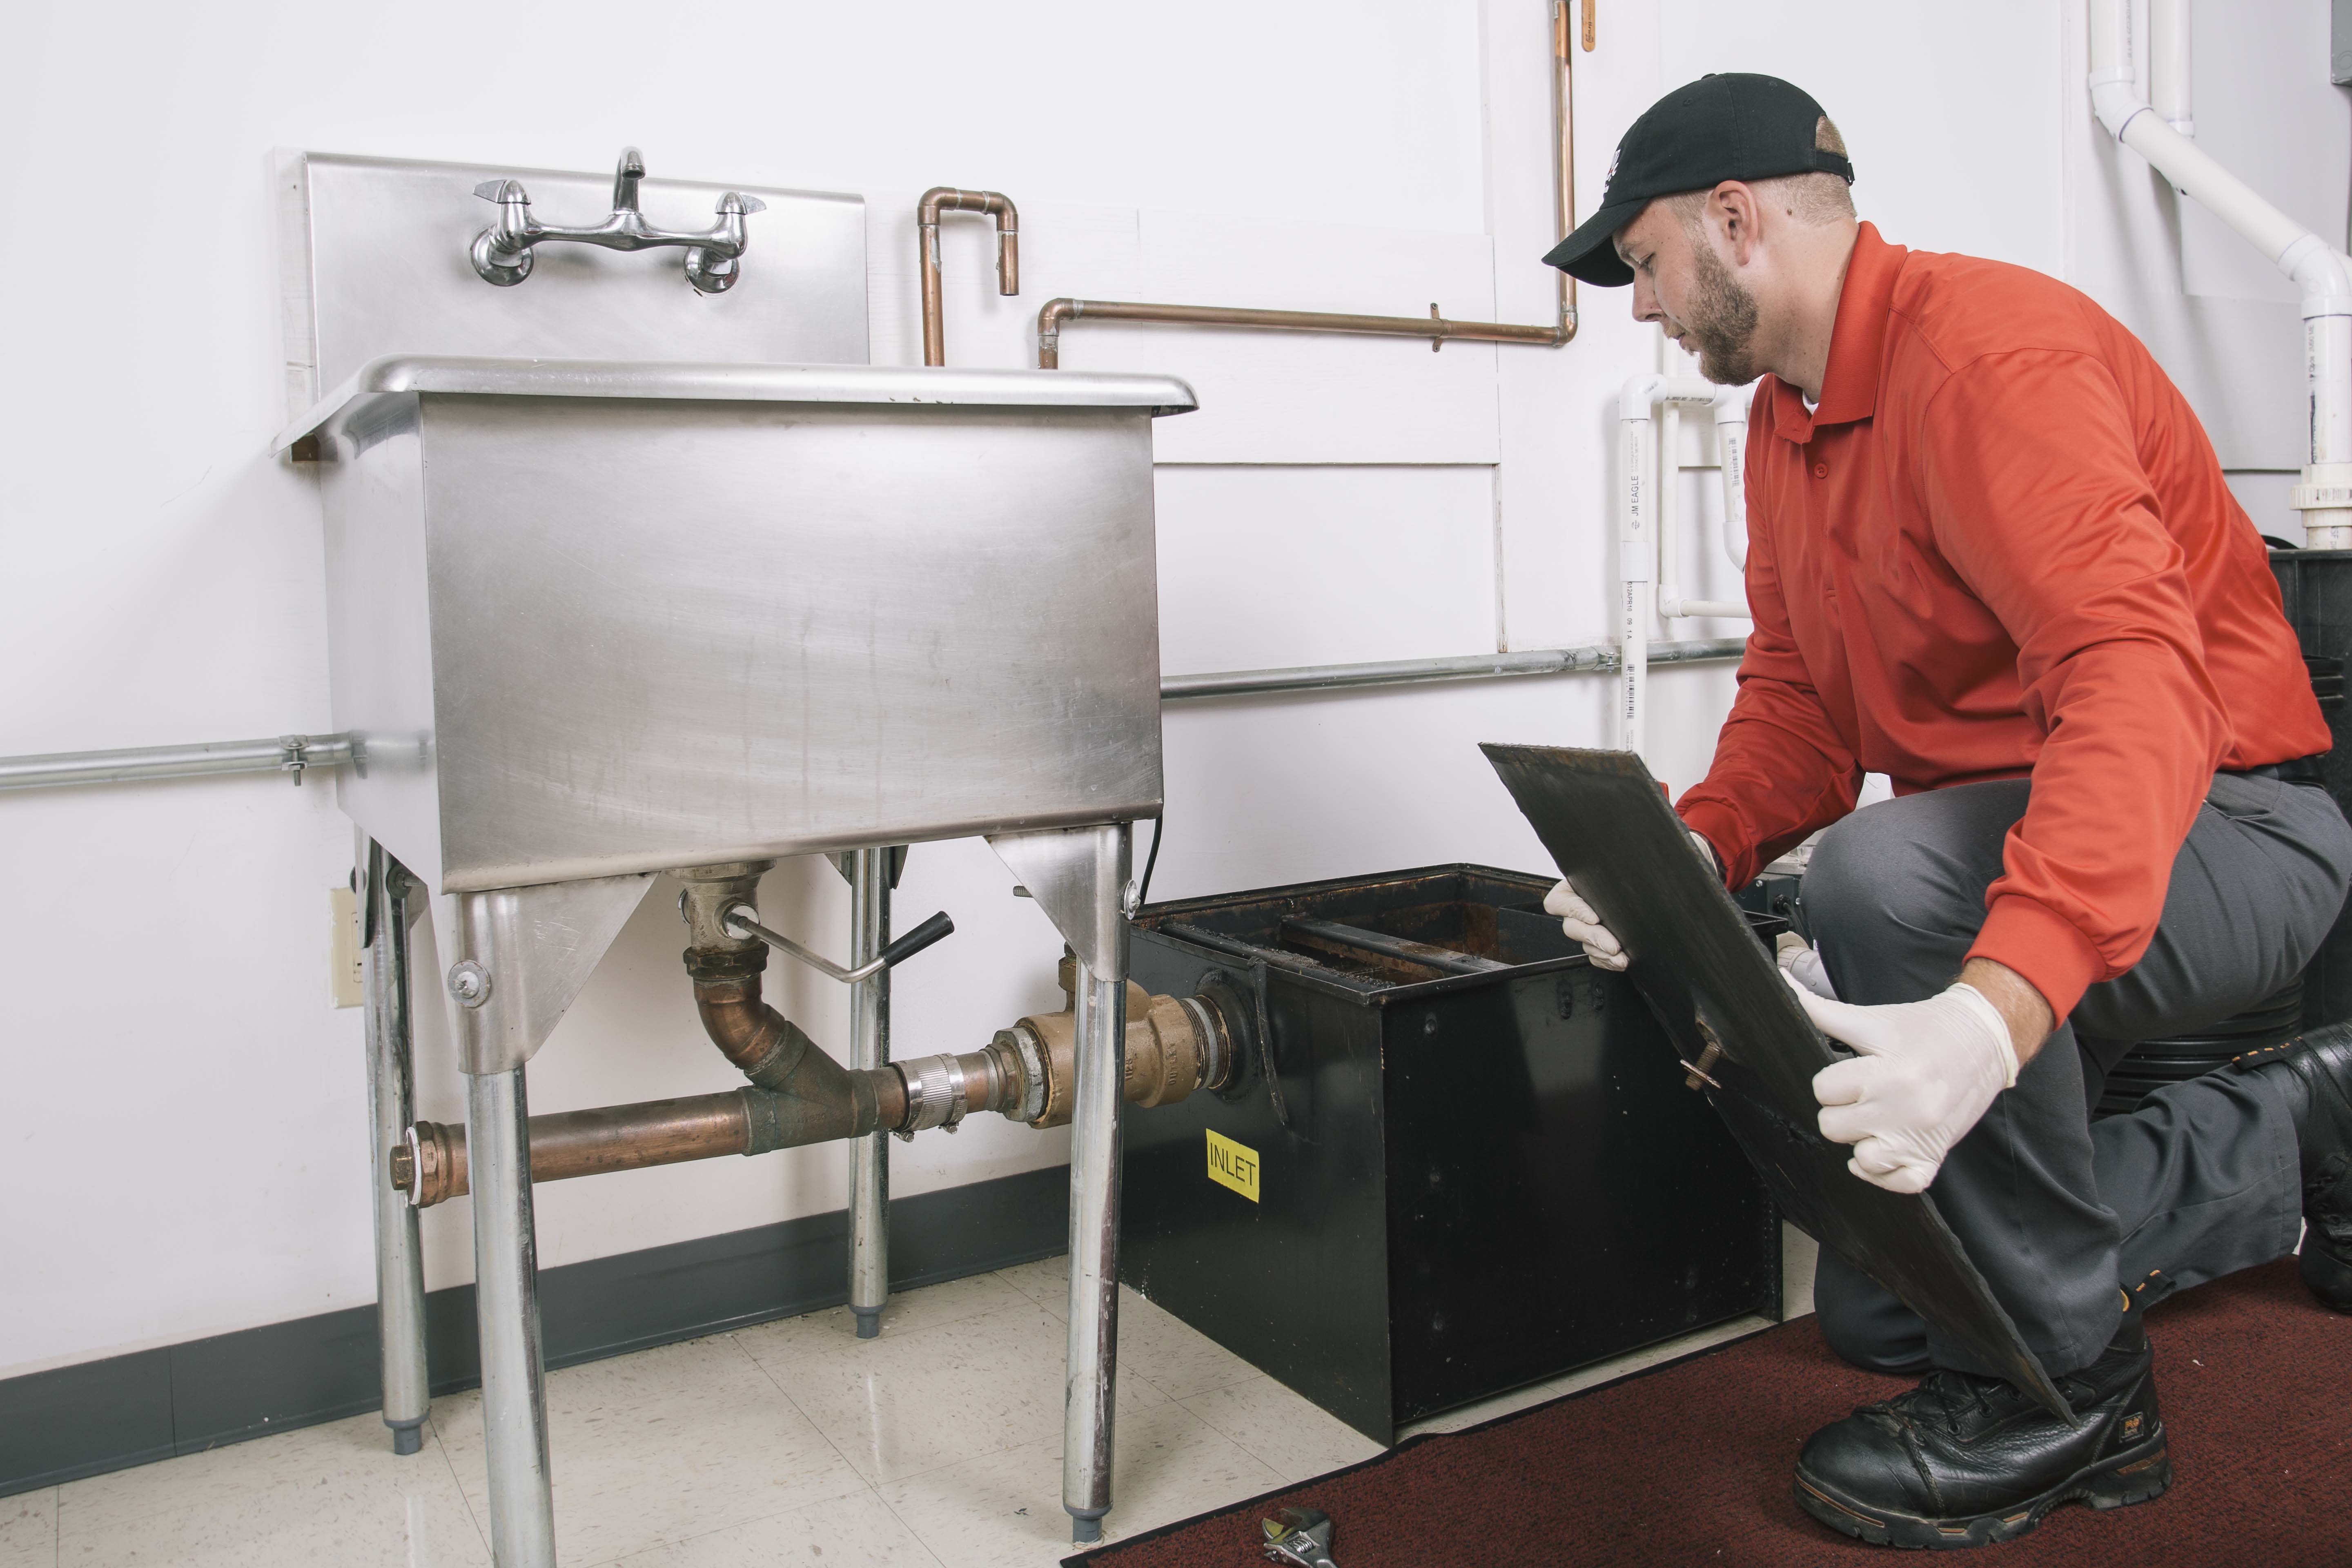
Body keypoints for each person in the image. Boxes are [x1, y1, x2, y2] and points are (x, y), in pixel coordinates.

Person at [1539, 73, 2352, 1550]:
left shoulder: (1990, 357)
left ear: (1736, 219)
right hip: (2026, 860)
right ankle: (2300, 1118)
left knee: (1885, 878)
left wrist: (1991, 1014)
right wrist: (1685, 851)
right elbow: (1799, 702)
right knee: (1883, 1309)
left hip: (2234, 832)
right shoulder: (1788, 428)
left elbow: (2136, 685)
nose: (1642, 307)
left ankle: (2080, 1400)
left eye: (1645, 262)